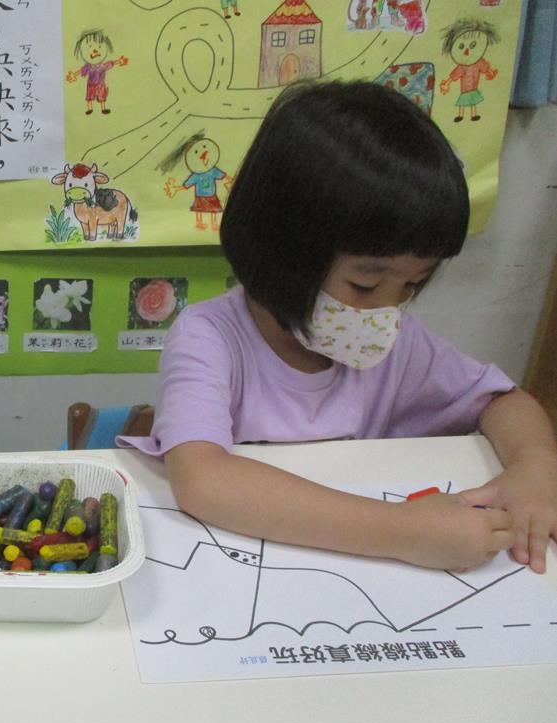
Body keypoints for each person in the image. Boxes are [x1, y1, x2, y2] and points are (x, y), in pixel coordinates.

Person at [120, 80, 557, 574]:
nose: (386, 309)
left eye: (412, 285)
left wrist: (535, 466)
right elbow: (203, 481)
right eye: (365, 285)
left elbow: (503, 401)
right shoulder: (209, 337)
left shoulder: (395, 341)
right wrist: (405, 531)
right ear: (281, 250)